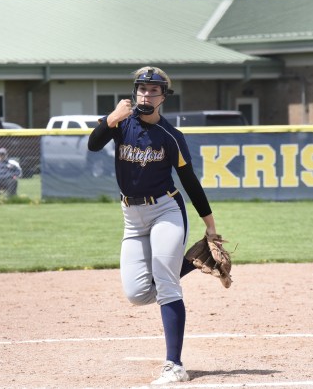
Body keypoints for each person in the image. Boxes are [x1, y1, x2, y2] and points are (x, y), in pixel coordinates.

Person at [88, 66, 218, 385]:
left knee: (166, 285)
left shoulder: (170, 136)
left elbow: (190, 181)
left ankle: (175, 365)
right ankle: (192, 262)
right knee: (137, 294)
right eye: (142, 89)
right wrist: (111, 118)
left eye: (153, 90)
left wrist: (210, 227)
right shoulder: (121, 123)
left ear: (164, 97)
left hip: (166, 211)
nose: (146, 95)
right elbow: (93, 144)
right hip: (131, 218)